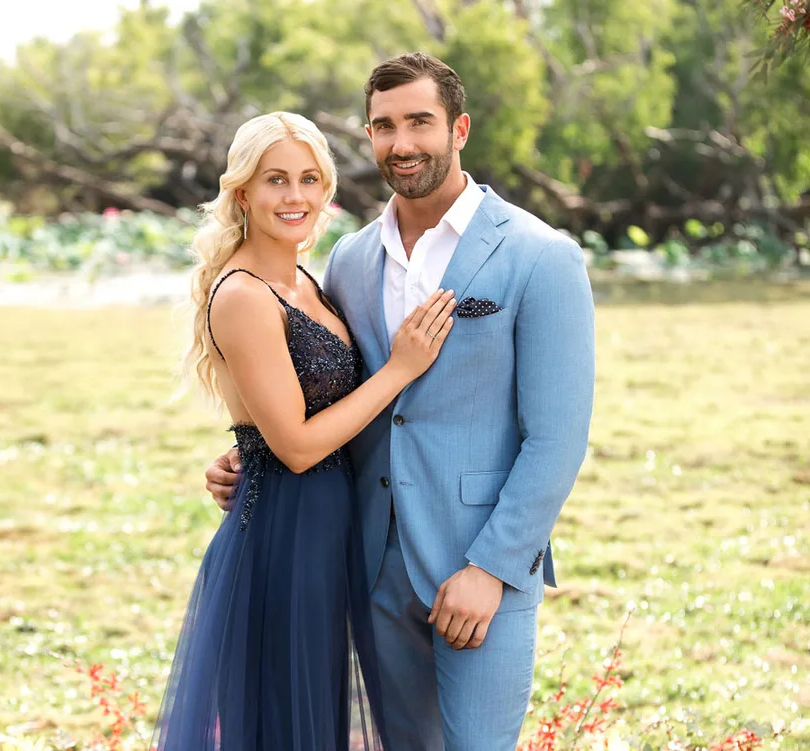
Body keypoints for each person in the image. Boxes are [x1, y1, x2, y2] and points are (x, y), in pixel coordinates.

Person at [205, 53, 596, 750]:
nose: (403, 142)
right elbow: (321, 383)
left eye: (420, 121)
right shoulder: (350, 260)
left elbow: (557, 437)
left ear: (460, 128)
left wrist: (493, 568)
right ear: (369, 137)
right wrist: (250, 448)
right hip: (366, 567)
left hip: (479, 571)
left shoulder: (542, 257)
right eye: (385, 126)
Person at [150, 110, 455, 751]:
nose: (294, 197)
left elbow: (285, 414)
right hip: (283, 539)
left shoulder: (308, 283)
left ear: (327, 191)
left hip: (331, 529)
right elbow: (293, 445)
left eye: (309, 180)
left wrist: (242, 448)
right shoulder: (243, 293)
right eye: (275, 180)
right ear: (243, 193)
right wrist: (400, 370)